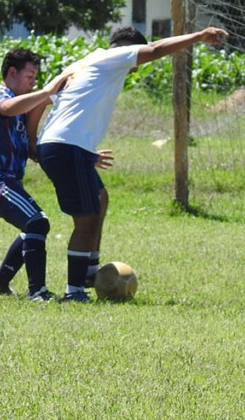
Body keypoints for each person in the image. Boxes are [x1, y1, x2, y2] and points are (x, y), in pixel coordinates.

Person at [36, 25, 228, 302]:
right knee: (86, 219)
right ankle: (74, 291)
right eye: (135, 64)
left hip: (66, 146)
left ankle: (89, 272)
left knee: (100, 198)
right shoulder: (112, 57)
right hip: (66, 146)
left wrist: (39, 144)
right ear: (128, 49)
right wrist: (197, 37)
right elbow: (155, 49)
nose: (133, 69)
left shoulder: (84, 63)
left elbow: (44, 101)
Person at [0, 48, 69, 301]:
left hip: (8, 180)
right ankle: (37, 291)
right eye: (29, 76)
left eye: (36, 77)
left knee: (32, 226)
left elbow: (32, 120)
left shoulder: (23, 103)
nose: (33, 82)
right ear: (12, 72)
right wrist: (46, 92)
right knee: (37, 222)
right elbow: (6, 109)